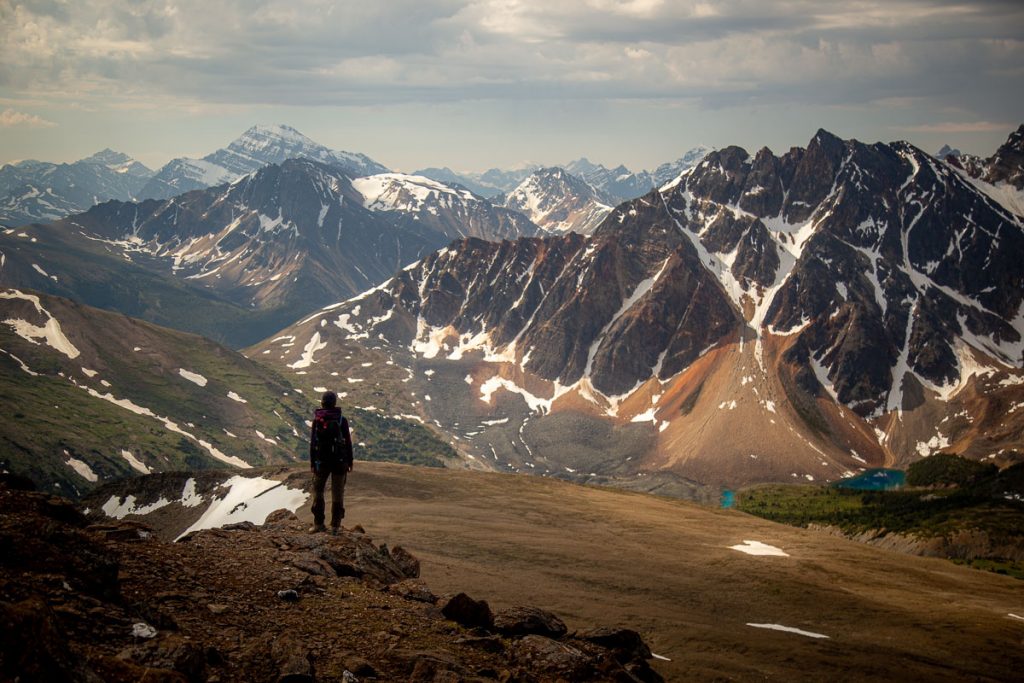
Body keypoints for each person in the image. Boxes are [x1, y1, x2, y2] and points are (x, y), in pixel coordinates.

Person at [309, 391, 354, 534]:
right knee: (337, 494)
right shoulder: (341, 420)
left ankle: (318, 524)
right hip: (339, 463)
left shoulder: (317, 420)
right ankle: (335, 527)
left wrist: (312, 462)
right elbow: (347, 442)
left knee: (318, 492)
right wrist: (350, 461)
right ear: (334, 403)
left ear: (322, 403)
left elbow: (313, 443)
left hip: (321, 462)